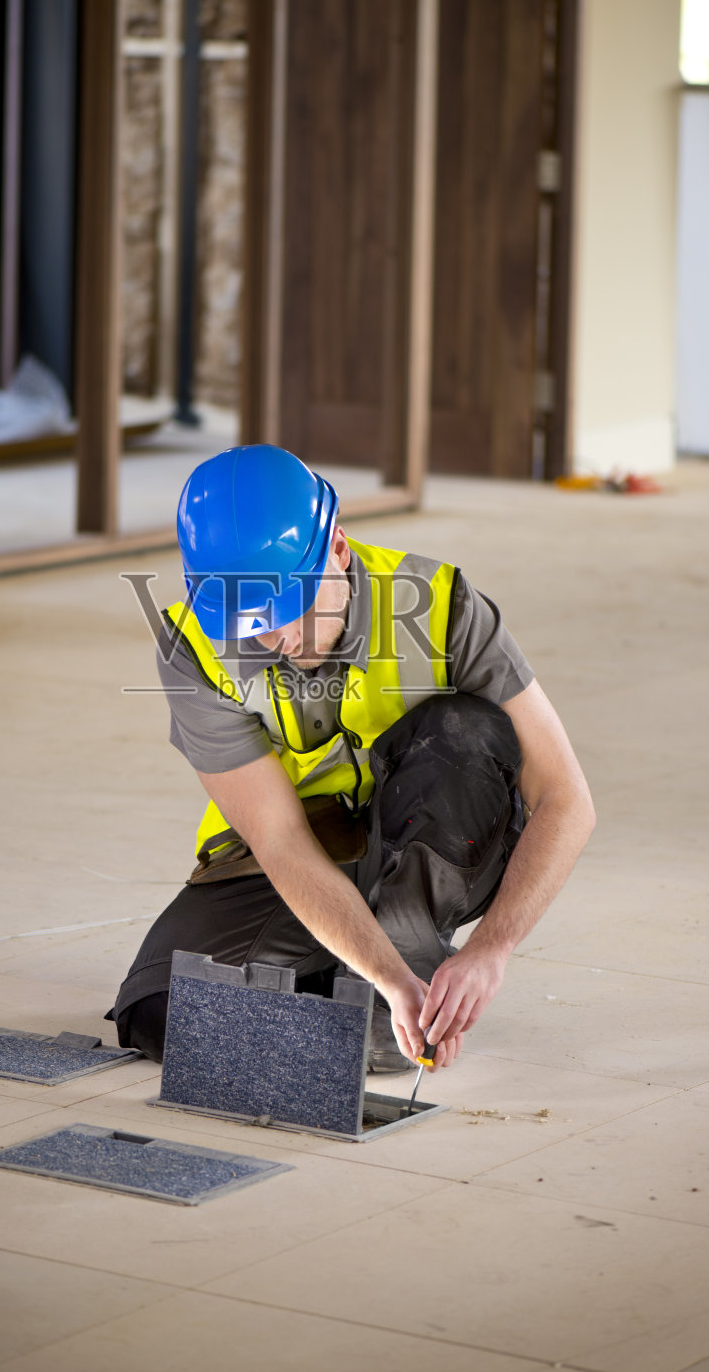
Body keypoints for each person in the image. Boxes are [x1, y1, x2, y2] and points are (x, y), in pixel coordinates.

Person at [110, 444, 595, 1073]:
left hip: (428, 843)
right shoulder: (193, 651)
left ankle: (399, 960)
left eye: (293, 609)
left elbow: (567, 798)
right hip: (297, 856)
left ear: (338, 547)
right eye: (252, 623)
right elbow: (280, 841)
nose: (276, 640)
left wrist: (491, 948)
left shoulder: (443, 605)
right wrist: (384, 978)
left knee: (464, 729)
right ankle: (359, 987)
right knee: (159, 1012)